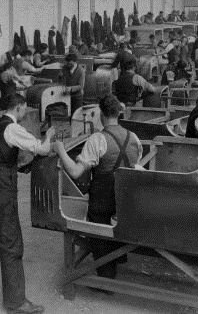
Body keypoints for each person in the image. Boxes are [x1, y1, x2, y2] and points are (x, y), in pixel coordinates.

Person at [0, 94, 55, 314]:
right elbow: (42, 149)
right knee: (11, 242)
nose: (25, 111)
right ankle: (15, 302)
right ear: (18, 107)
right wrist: (48, 136)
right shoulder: (12, 128)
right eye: (24, 108)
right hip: (1, 186)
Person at [53, 95, 142, 280]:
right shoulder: (133, 137)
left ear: (101, 114)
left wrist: (60, 149)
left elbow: (76, 172)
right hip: (126, 196)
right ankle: (119, 258)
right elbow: (135, 164)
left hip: (103, 196)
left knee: (99, 229)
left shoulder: (97, 139)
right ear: (119, 113)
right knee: (118, 223)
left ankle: (106, 277)